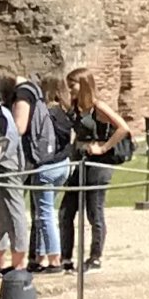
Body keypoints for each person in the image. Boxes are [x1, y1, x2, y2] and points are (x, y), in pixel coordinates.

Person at [58, 68, 128, 270]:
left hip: (99, 164)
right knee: (66, 211)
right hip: (80, 162)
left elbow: (123, 128)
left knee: (94, 211)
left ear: (84, 85)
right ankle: (66, 258)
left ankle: (95, 256)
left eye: (73, 85)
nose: (70, 89)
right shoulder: (76, 107)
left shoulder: (98, 107)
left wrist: (103, 147)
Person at [9, 72, 74, 272]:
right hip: (63, 165)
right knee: (45, 212)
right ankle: (40, 257)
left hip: (46, 166)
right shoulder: (65, 112)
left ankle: (53, 259)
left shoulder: (45, 111)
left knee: (45, 215)